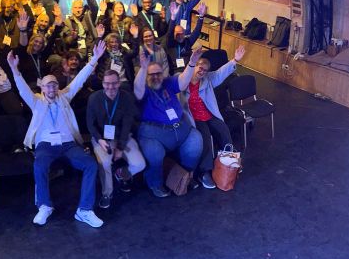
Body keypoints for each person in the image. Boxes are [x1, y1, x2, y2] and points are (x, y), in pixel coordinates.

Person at [6, 41, 107, 228]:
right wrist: (14, 69)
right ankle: (44, 206)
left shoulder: (64, 96)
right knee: (40, 164)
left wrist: (95, 59)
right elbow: (21, 88)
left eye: (53, 85)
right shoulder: (36, 102)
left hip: (68, 144)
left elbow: (79, 80)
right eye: (47, 86)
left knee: (91, 164)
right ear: (42, 89)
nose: (51, 89)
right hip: (45, 145)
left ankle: (84, 210)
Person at [133, 45, 204, 197]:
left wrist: (192, 62)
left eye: (158, 73)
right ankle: (155, 183)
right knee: (155, 154)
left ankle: (184, 176)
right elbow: (137, 89)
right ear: (146, 76)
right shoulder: (144, 89)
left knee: (196, 141)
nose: (155, 77)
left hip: (179, 128)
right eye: (151, 74)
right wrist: (144, 68)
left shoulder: (167, 82)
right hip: (153, 134)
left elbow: (183, 82)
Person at [186, 45, 246, 188]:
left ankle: (229, 164)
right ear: (195, 65)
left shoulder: (207, 79)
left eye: (205, 70)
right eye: (200, 67)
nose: (202, 71)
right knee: (205, 137)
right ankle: (204, 172)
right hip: (194, 118)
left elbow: (220, 73)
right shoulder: (183, 80)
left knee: (224, 130)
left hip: (209, 114)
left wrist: (234, 60)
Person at [86, 70, 146, 209]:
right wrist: (100, 140)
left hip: (122, 136)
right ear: (103, 84)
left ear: (119, 83)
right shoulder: (94, 98)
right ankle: (107, 193)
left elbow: (127, 124)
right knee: (105, 162)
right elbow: (90, 124)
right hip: (102, 138)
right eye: (107, 84)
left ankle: (122, 175)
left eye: (114, 83)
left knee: (139, 164)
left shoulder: (127, 98)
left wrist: (120, 147)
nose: (110, 87)